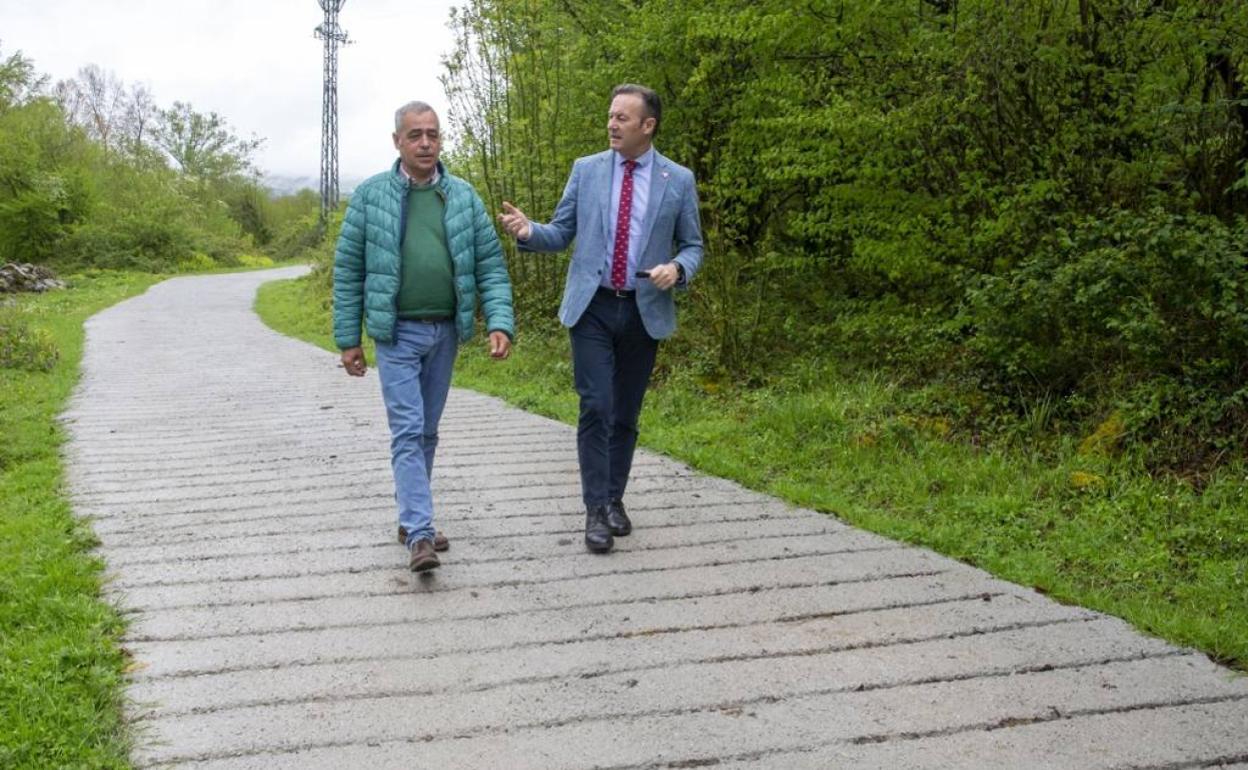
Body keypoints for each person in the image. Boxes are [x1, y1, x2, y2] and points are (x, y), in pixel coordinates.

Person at [497, 83, 703, 554]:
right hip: (591, 306)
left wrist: (678, 268)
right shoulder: (586, 171)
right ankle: (594, 511)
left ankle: (614, 498)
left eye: (622, 118)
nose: (612, 124)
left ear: (647, 126)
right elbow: (561, 232)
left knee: (626, 412)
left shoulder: (679, 180)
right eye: (610, 116)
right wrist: (530, 231)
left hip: (642, 308)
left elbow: (694, 245)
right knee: (596, 405)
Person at [333, 101, 514, 572]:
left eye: (432, 134)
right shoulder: (370, 197)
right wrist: (348, 338)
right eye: (415, 134)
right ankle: (419, 533)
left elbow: (491, 266)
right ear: (397, 141)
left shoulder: (463, 197)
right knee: (409, 430)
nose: (426, 142)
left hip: (446, 333)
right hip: (396, 334)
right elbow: (349, 271)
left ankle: (411, 516)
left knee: (427, 431)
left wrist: (499, 321)